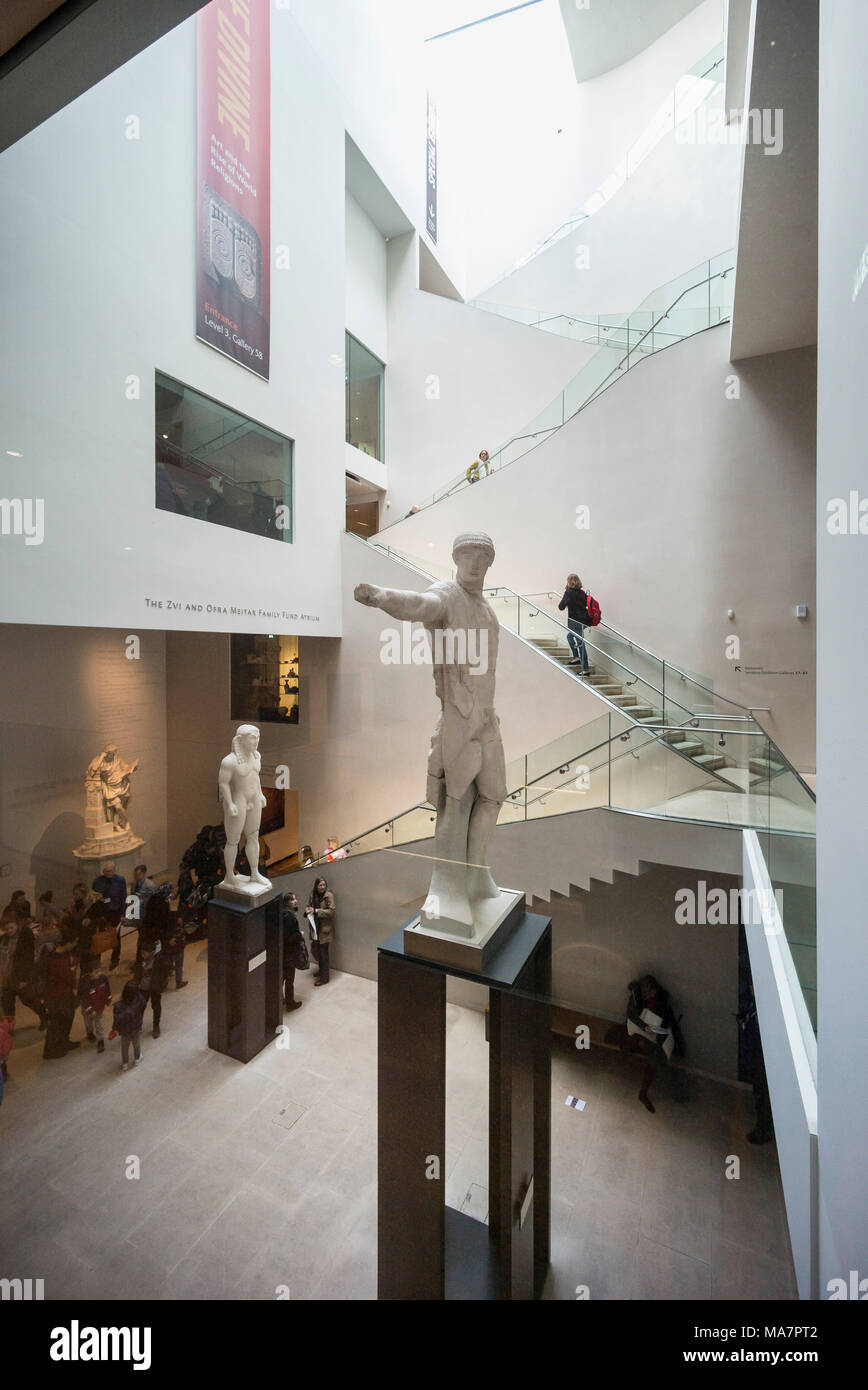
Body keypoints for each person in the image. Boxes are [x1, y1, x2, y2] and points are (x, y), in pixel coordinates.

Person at [626, 974, 684, 1112]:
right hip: (639, 1030)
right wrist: (644, 1026)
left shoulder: (662, 999)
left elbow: (666, 1019)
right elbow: (631, 1015)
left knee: (656, 1061)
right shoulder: (636, 996)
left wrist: (656, 1031)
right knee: (631, 1045)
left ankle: (644, 1092)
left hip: (654, 1034)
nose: (647, 996)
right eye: (645, 994)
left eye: (650, 994)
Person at [737, 985, 773, 1144]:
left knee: (763, 1096)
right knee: (759, 1093)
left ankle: (763, 1131)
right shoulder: (754, 1005)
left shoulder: (765, 1011)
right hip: (756, 1057)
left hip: (763, 1061)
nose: (751, 988)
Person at [0, 907, 46, 1029]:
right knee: (7, 1006)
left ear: (17, 925)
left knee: (29, 1001)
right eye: (7, 928)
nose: (9, 931)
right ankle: (9, 1029)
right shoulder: (4, 939)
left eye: (12, 927)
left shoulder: (24, 936)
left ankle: (44, 1017)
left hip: (19, 977)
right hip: (6, 978)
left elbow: (28, 959)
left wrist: (24, 979)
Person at [41, 926, 81, 1059]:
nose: (76, 944)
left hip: (63, 994)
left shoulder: (60, 955)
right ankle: (52, 1050)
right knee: (58, 1022)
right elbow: (69, 977)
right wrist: (72, 969)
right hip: (58, 996)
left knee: (66, 1020)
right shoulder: (57, 960)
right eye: (74, 942)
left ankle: (63, 1042)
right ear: (68, 943)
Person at [91, 860, 127, 969]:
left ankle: (115, 960)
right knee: (99, 937)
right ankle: (97, 961)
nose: (108, 873)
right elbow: (94, 899)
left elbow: (123, 898)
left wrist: (123, 914)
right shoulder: (97, 881)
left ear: (114, 870)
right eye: (106, 871)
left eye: (110, 871)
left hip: (115, 912)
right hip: (102, 913)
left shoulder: (120, 881)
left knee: (115, 937)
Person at [133, 939, 168, 1039]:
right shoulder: (140, 959)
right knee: (140, 1006)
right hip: (142, 988)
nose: (142, 954)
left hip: (154, 988)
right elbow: (137, 970)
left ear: (152, 952)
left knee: (156, 1006)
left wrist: (160, 985)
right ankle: (138, 1025)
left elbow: (164, 973)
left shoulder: (158, 960)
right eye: (141, 952)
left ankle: (156, 1025)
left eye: (144, 952)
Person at [558, 573, 591, 673]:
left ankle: (585, 669)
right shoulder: (582, 593)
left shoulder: (569, 592)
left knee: (580, 643)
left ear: (568, 581)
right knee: (569, 636)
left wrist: (568, 602)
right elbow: (584, 605)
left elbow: (561, 606)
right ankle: (576, 657)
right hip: (585, 621)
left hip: (576, 621)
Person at [281, 891, 308, 1011]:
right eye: (292, 900)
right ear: (287, 903)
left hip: (283, 953)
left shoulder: (282, 914)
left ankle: (280, 1000)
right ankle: (290, 1003)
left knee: (282, 979)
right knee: (289, 980)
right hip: (290, 954)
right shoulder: (289, 917)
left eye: (295, 899)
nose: (295, 901)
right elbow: (289, 937)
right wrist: (300, 934)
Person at [306, 878, 335, 986]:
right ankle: (321, 970)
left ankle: (325, 978)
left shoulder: (329, 896)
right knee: (316, 951)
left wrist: (317, 911)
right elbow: (308, 906)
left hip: (324, 930)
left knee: (324, 954)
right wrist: (308, 910)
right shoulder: (312, 895)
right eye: (320, 885)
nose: (322, 887)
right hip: (315, 928)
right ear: (316, 886)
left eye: (324, 885)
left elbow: (331, 912)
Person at [111, 980, 146, 1071]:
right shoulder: (138, 999)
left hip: (124, 1030)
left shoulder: (118, 1006)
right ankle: (137, 1059)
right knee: (136, 1043)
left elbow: (116, 1019)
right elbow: (143, 1005)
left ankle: (125, 1063)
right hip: (135, 1027)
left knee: (124, 1046)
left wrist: (114, 1028)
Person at [78, 967, 112, 1053]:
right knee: (88, 1021)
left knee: (98, 1022)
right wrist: (89, 1009)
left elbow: (107, 990)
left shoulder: (103, 978)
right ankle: (89, 1033)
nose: (99, 974)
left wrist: (108, 999)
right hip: (88, 1007)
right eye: (96, 972)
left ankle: (101, 1040)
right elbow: (84, 998)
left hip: (99, 1006)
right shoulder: (85, 983)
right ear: (90, 973)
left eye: (99, 971)